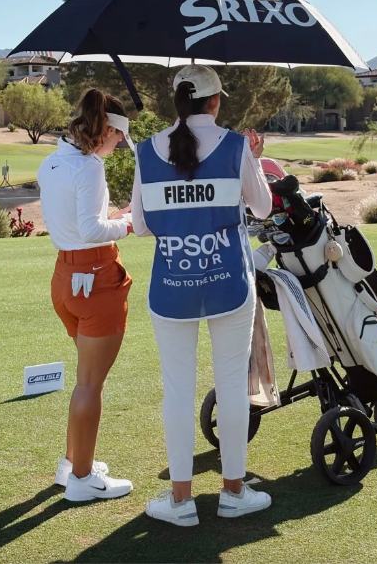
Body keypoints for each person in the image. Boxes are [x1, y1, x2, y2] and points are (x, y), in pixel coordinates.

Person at [131, 65, 273, 526]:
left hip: (171, 287)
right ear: (214, 101)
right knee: (232, 386)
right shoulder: (235, 146)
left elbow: (141, 225)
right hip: (229, 284)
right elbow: (262, 207)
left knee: (177, 390)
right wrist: (253, 160)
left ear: (178, 102)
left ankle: (180, 501)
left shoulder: (146, 150)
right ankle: (233, 492)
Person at [37, 88, 135, 502]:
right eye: (119, 136)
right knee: (90, 385)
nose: (120, 144)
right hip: (96, 279)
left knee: (84, 381)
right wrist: (129, 224)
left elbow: (81, 222)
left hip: (66, 278)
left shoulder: (53, 161)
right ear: (107, 129)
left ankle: (72, 463)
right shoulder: (89, 167)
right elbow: (93, 231)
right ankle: (81, 479)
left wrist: (116, 215)